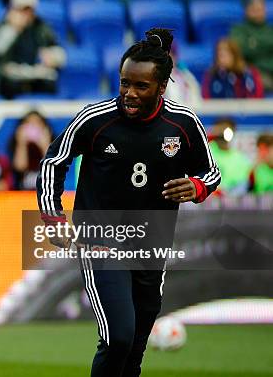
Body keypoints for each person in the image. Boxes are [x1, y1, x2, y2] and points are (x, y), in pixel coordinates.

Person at [37, 28, 220, 377]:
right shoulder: (95, 119)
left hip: (153, 245)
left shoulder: (183, 124)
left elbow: (211, 173)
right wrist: (53, 216)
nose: (129, 94)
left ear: (162, 88)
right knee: (118, 337)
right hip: (100, 241)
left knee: (135, 350)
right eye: (124, 84)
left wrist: (197, 186)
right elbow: (53, 162)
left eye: (141, 86)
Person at [0, 0, 66, 99]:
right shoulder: (4, 26)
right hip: (10, 74)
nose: (26, 14)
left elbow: (58, 52)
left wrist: (53, 56)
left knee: (49, 84)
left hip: (35, 72)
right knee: (9, 86)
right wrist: (13, 29)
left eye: (29, 10)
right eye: (22, 9)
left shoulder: (41, 27)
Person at [231, 0, 273, 91]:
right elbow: (239, 50)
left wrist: (254, 43)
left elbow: (250, 48)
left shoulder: (270, 30)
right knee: (259, 81)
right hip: (253, 74)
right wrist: (267, 46)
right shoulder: (239, 30)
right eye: (254, 9)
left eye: (261, 9)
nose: (258, 12)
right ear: (247, 10)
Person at [8, 110, 53, 190]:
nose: (33, 127)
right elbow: (20, 167)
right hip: (23, 193)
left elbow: (51, 169)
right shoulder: (17, 144)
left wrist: (45, 146)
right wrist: (21, 144)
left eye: (37, 123)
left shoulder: (53, 144)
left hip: (46, 192)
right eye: (29, 123)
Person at [208, 118, 251, 195]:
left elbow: (242, 185)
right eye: (219, 131)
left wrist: (225, 193)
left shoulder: (241, 159)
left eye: (225, 131)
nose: (221, 134)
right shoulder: (204, 152)